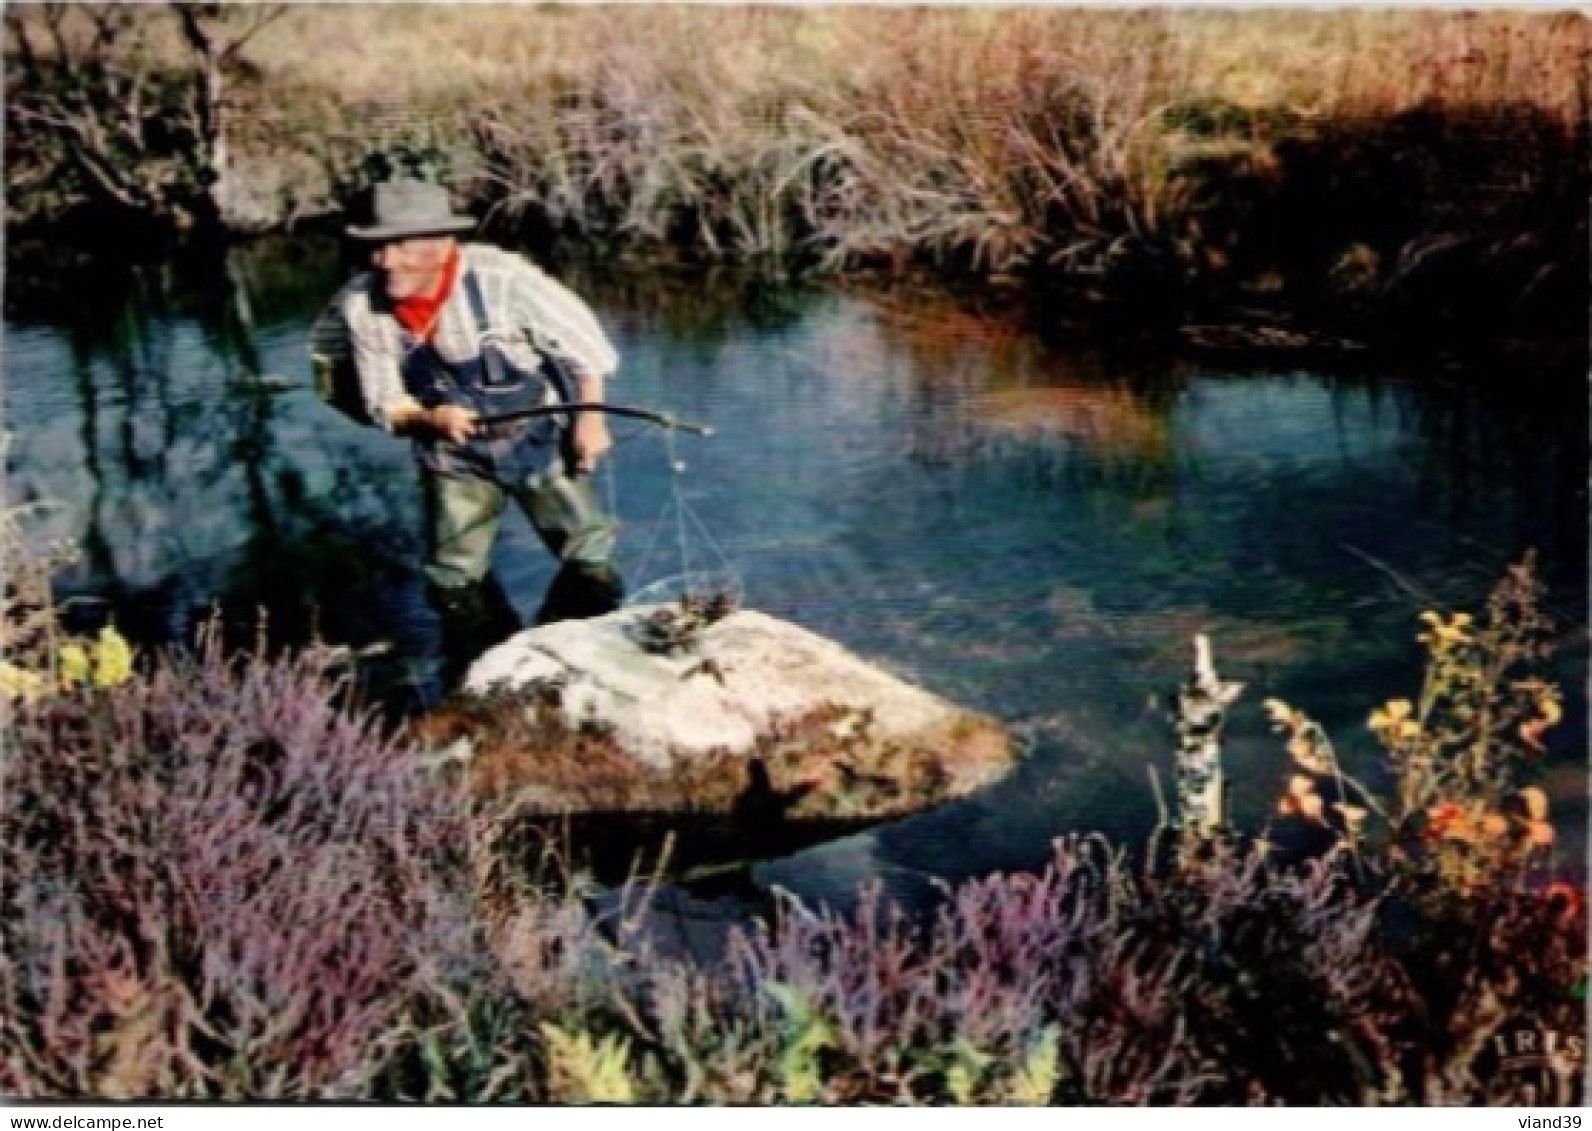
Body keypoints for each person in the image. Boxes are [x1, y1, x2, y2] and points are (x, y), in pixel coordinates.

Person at [310, 176, 625, 678]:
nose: (384, 261)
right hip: (450, 454)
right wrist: (427, 418)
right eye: (373, 248)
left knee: (588, 552)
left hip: (536, 440)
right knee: (453, 578)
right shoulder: (361, 307)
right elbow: (382, 401)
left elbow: (587, 350)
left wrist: (589, 422)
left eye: (398, 247)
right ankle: (481, 670)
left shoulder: (504, 283)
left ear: (440, 246)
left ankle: (587, 660)